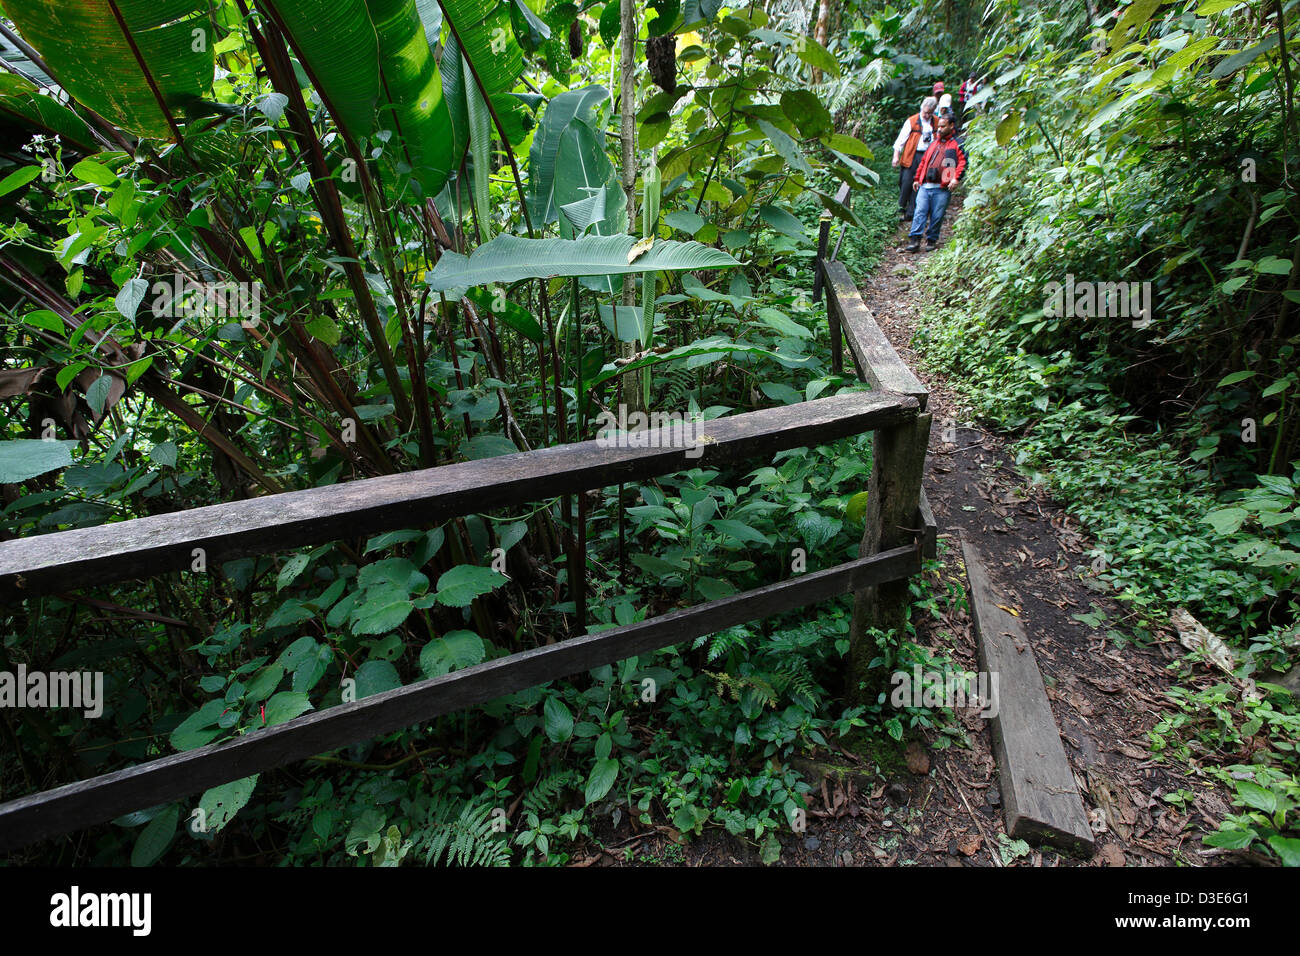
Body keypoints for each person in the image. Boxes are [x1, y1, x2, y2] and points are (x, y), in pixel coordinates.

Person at [905, 114, 967, 253]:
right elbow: (924, 161)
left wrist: (956, 178)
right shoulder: (934, 143)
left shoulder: (957, 144)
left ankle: (931, 240)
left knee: (937, 215)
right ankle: (915, 240)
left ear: (951, 126)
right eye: (938, 126)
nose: (939, 129)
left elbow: (962, 162)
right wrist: (917, 178)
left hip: (942, 187)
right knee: (919, 212)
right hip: (925, 185)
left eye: (943, 126)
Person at [891, 96, 937, 223]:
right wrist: (896, 156)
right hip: (911, 156)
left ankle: (912, 212)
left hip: (927, 157)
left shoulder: (936, 122)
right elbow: (900, 141)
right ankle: (900, 209)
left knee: (920, 184)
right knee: (906, 183)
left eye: (930, 113)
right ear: (921, 108)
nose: (927, 115)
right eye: (925, 112)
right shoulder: (912, 121)